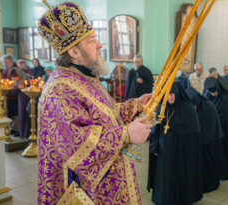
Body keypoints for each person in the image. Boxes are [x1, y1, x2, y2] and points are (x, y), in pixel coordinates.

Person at [37, 2, 152, 204]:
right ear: (73, 52)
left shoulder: (84, 77)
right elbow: (75, 143)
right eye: (91, 40)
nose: (100, 45)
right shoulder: (59, 90)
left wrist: (136, 105)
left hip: (107, 181)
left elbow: (103, 115)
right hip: (87, 191)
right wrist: (126, 134)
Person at [148, 82, 203, 205]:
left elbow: (194, 133)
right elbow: (155, 130)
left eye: (173, 94)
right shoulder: (161, 107)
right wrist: (154, 147)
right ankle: (163, 198)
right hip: (164, 149)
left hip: (181, 150)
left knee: (179, 175)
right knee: (164, 175)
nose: (170, 98)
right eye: (167, 95)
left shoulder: (188, 108)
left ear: (178, 94)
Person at [185, 87, 225, 193]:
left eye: (193, 105)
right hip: (206, 141)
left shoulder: (207, 108)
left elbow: (204, 129)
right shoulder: (202, 105)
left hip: (210, 142)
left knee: (208, 165)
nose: (193, 108)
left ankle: (209, 184)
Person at [204, 77, 228, 180]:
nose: (213, 94)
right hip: (216, 130)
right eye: (211, 93)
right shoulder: (207, 95)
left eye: (215, 92)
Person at [8, 68, 31, 139]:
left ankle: (26, 135)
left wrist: (19, 88)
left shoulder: (26, 78)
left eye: (15, 76)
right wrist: (17, 88)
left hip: (27, 99)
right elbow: (12, 91)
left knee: (27, 117)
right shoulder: (16, 80)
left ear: (18, 74)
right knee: (21, 117)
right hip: (20, 100)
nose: (14, 78)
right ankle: (22, 135)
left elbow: (30, 88)